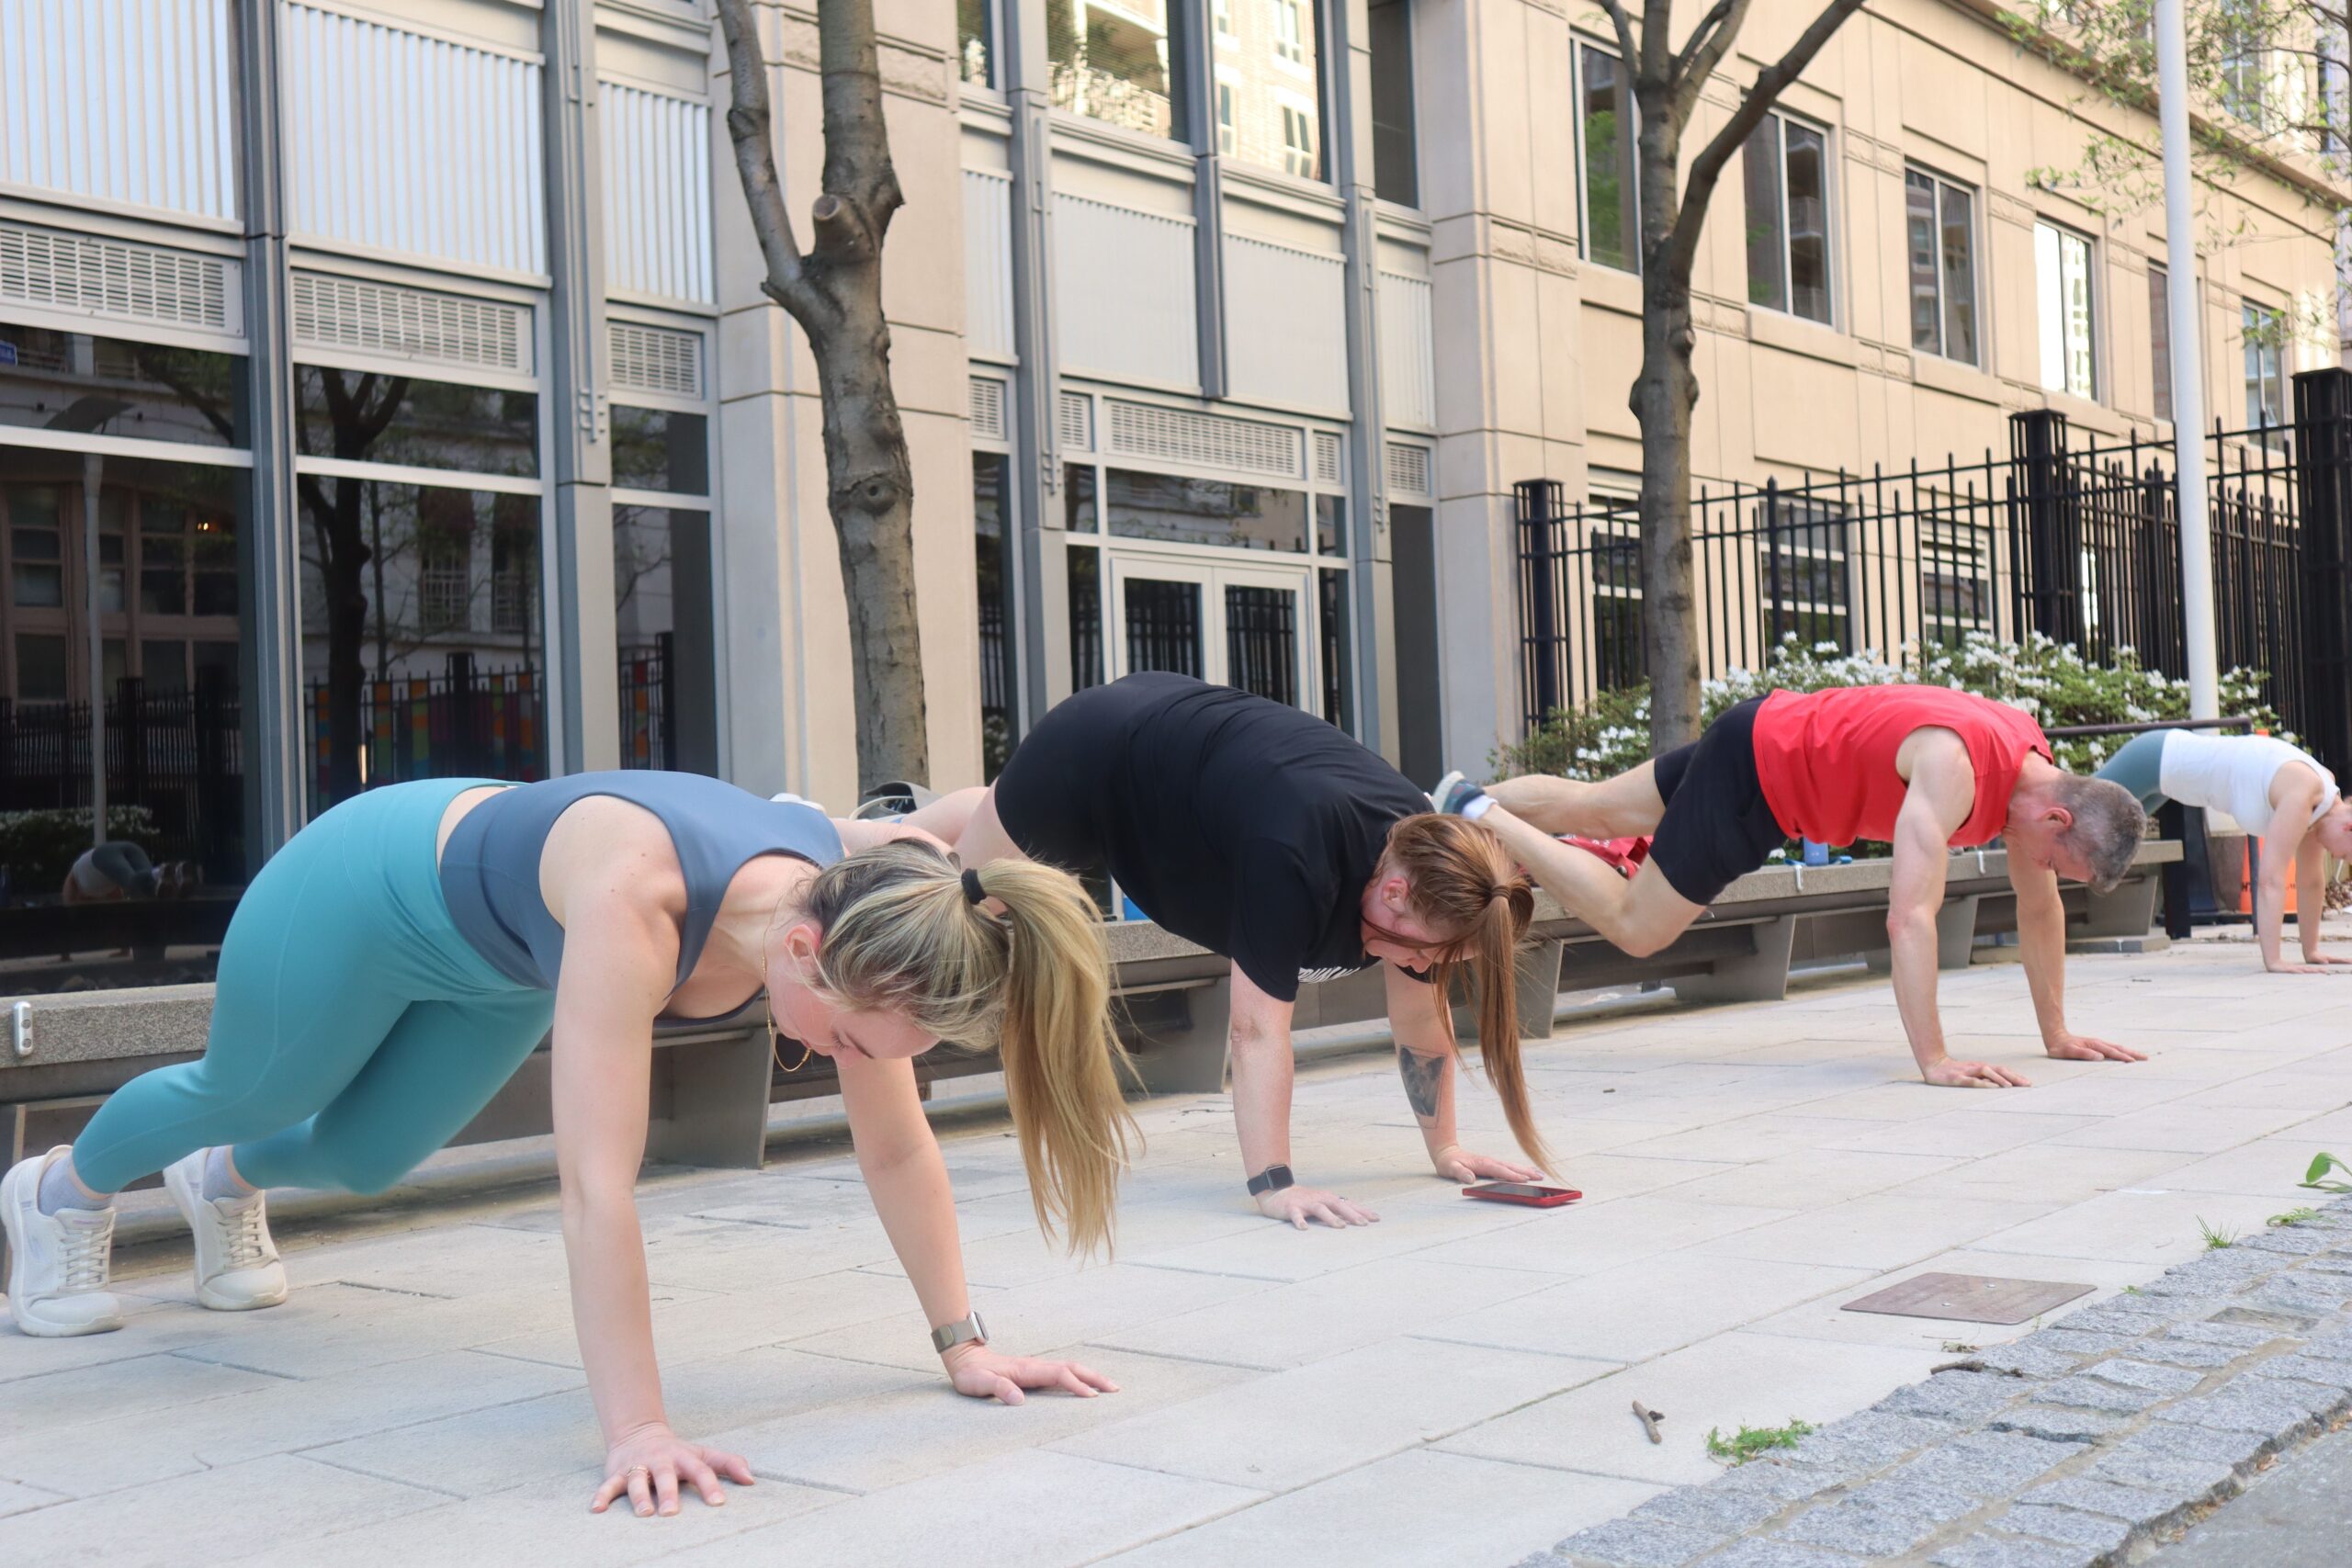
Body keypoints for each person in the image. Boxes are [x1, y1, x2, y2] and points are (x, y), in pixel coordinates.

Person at [2, 772, 1136, 1518]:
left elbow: (894, 1151)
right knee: (257, 1086)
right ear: (802, 951)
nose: (846, 1060)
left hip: (501, 959)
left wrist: (963, 1347)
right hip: (372, 883)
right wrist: (638, 1427)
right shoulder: (636, 903)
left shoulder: (884, 912)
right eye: (844, 1040)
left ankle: (223, 1179)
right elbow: (597, 1186)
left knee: (364, 1159)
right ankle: (59, 1192)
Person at [902, 672, 1553, 1231]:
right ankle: (881, 839)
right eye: (1427, 956)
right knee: (955, 912)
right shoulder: (1298, 851)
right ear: (1393, 891)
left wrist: (1446, 1148)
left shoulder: (1427, 864)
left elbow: (1418, 1020)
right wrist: (1274, 1183)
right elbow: (1255, 1030)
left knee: (983, 838)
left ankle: (924, 818)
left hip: (1178, 769)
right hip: (1093, 757)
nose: (1423, 969)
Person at [1436, 684, 2150, 1089]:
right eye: (2056, 862)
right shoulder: (1954, 768)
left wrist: (2057, 1033)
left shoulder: (2029, 759)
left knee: (1596, 808)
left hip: (1758, 728)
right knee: (1638, 924)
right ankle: (1479, 814)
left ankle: (1437, 813)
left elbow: (2039, 909)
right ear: (2058, 819)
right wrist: (1934, 1058)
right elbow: (1909, 918)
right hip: (1760, 781)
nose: (2042, 871)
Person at [2096, 728, 2352, 975]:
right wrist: (2274, 960)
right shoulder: (2304, 792)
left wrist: (2312, 951)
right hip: (2154, 759)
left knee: (2099, 843)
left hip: (2163, 781)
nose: (2337, 858)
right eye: (2346, 856)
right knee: (2081, 813)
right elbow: (2270, 880)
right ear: (2348, 828)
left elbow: (2311, 881)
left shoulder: (2320, 804)